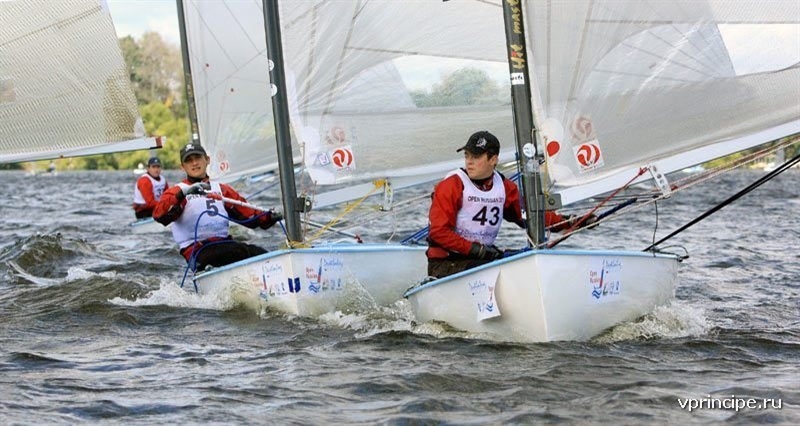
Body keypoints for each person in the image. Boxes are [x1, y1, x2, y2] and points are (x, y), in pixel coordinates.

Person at [426, 130, 597, 279]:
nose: (469, 162)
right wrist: (476, 250)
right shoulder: (452, 185)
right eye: (467, 155)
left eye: (476, 157)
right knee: (504, 269)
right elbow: (438, 232)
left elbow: (530, 216)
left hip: (481, 259)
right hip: (446, 264)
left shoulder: (504, 187)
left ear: (493, 159)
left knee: (526, 260)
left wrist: (570, 222)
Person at [153, 143, 283, 272]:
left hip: (224, 245)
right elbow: (159, 215)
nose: (194, 163)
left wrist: (270, 216)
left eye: (198, 158)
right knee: (237, 251)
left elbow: (250, 216)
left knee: (263, 254)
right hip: (197, 252)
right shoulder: (177, 191)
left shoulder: (222, 190)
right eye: (189, 160)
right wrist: (182, 194)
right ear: (182, 167)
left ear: (207, 160)